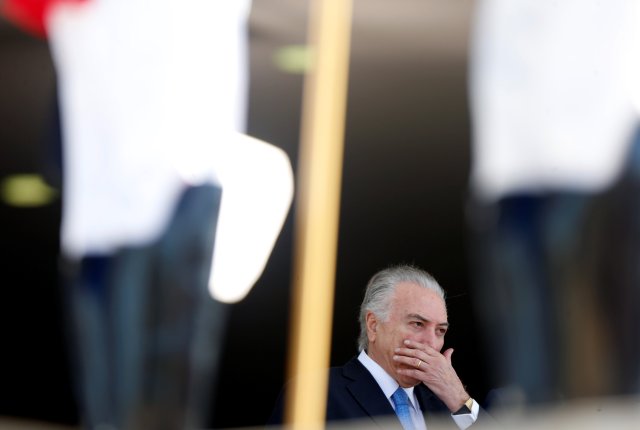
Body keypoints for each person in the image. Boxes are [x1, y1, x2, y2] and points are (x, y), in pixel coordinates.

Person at [269, 264, 495, 429]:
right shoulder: (316, 394)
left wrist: (457, 396)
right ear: (373, 325)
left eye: (440, 331)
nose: (431, 342)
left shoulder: (448, 404)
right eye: (417, 324)